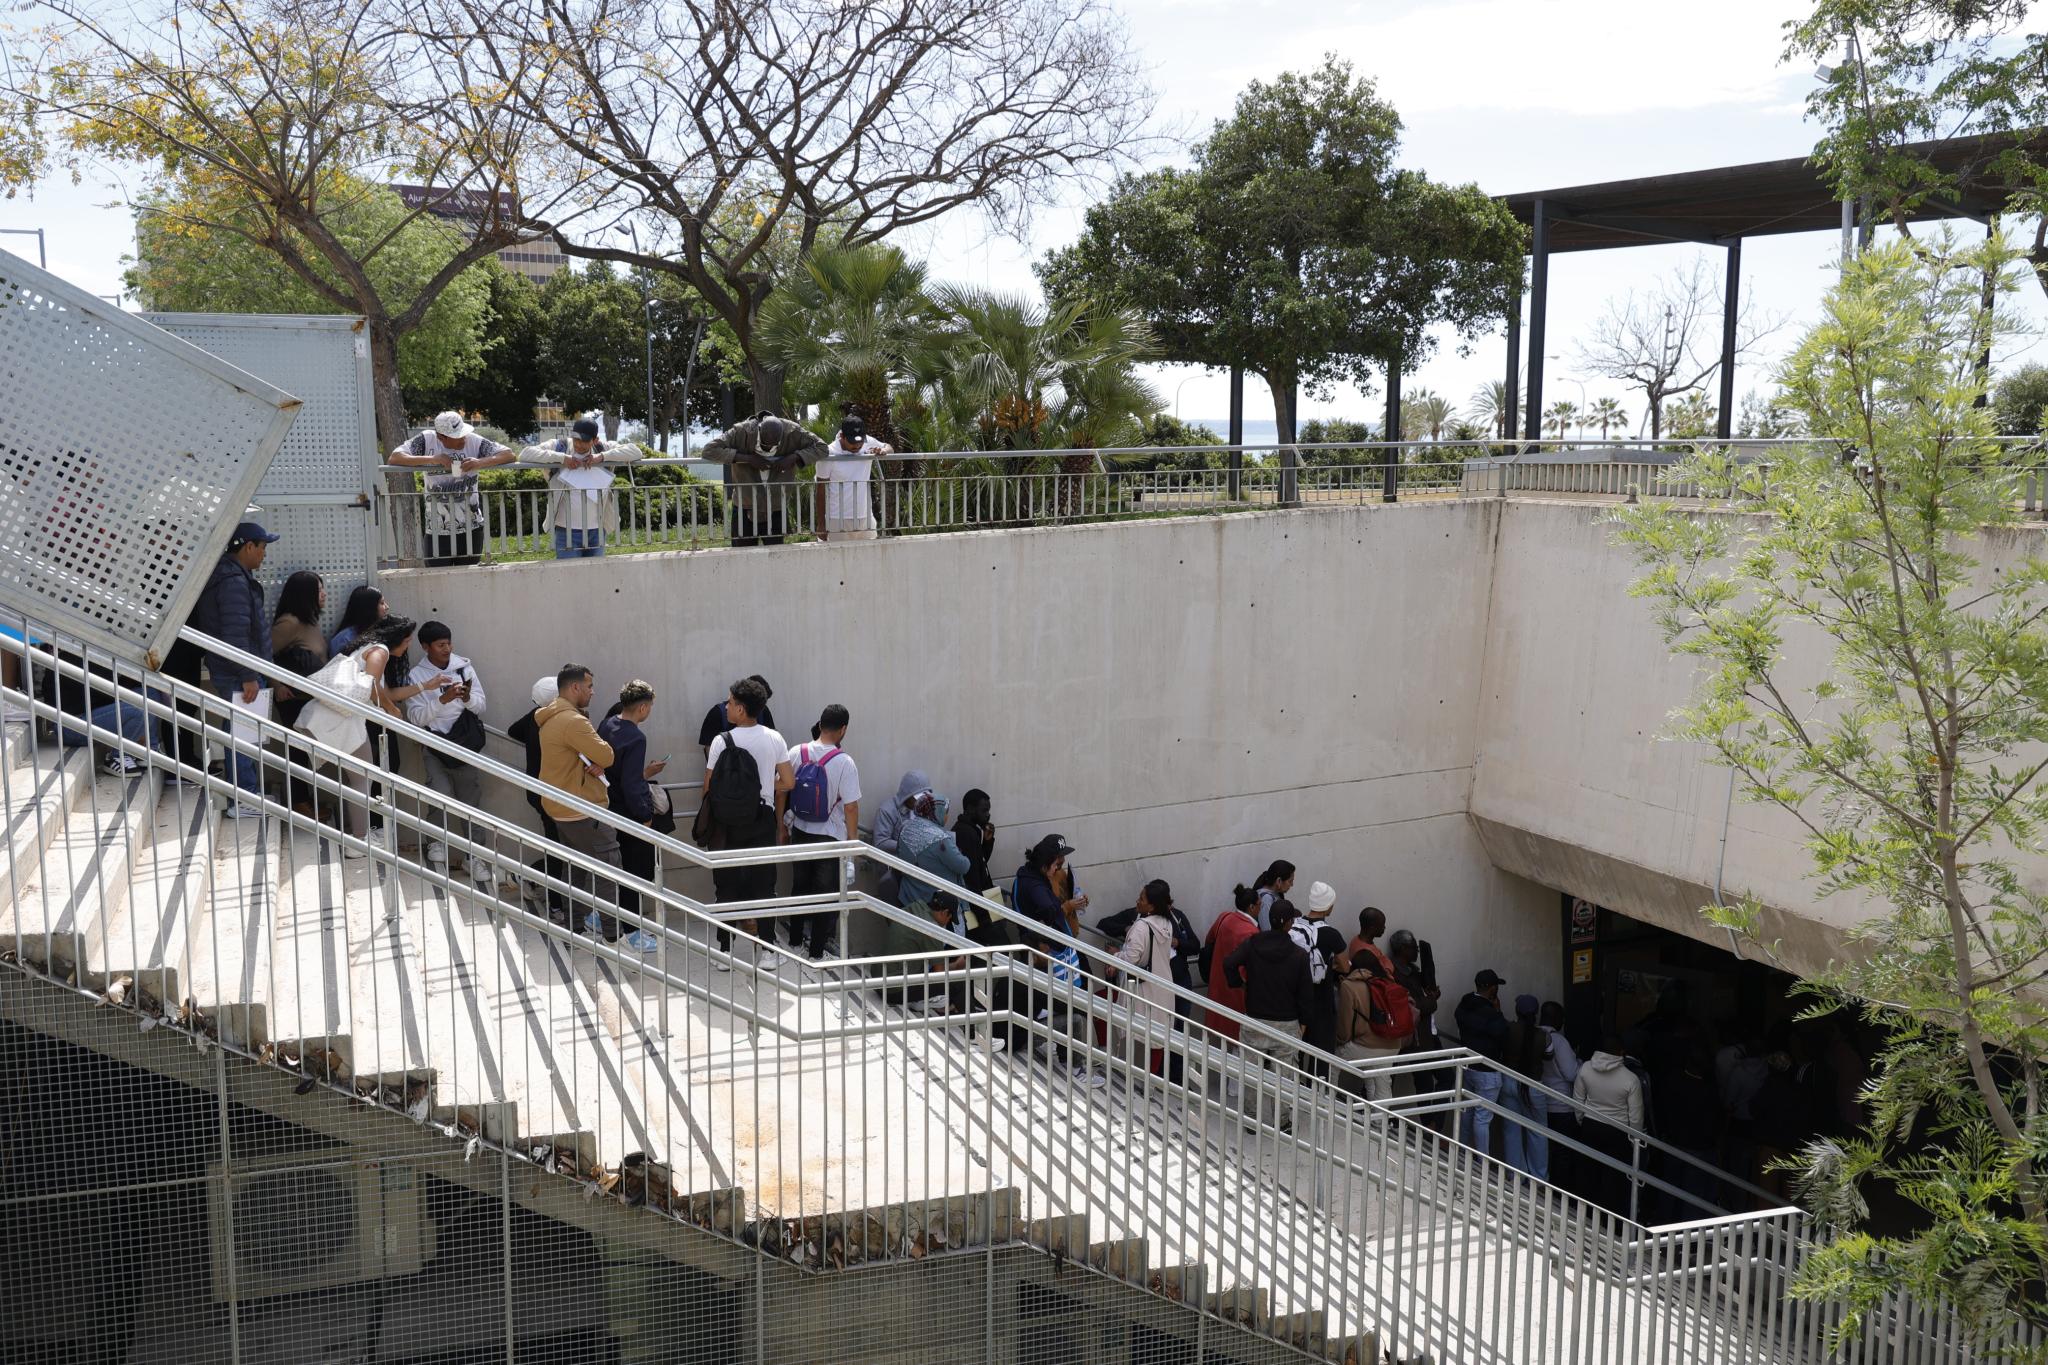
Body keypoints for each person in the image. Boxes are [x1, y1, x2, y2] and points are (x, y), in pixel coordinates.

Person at [297, 617, 417, 851]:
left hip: (333, 719)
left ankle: (359, 837)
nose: (408, 646)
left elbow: (373, 687)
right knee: (362, 779)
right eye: (408, 640)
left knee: (360, 778)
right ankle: (359, 840)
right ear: (397, 638)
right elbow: (370, 686)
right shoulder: (380, 650)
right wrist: (391, 710)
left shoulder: (365, 647)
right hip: (341, 722)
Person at [702, 675, 794, 969]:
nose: (726, 707)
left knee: (725, 885)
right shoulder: (774, 738)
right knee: (764, 884)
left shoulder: (721, 740)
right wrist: (764, 785)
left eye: (730, 702)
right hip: (762, 818)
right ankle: (767, 952)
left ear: (741, 709)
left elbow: (708, 787)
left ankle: (725, 952)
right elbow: (788, 782)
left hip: (726, 822)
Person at [187, 520, 278, 817]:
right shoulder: (233, 582)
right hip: (239, 672)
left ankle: (246, 792)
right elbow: (235, 633)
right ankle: (244, 797)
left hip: (239, 670)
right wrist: (248, 674)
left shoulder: (234, 576)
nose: (264, 554)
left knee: (242, 731)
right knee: (243, 733)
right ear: (248, 546)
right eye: (262, 547)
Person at [534, 664, 628, 944]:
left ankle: (574, 930)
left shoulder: (550, 718)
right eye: (589, 686)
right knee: (609, 865)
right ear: (575, 687)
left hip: (560, 806)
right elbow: (607, 755)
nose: (592, 691)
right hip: (583, 808)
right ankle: (613, 936)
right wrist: (599, 757)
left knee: (574, 868)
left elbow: (583, 754)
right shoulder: (573, 722)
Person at [401, 621, 494, 889]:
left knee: (470, 802)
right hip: (435, 744)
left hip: (464, 745)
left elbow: (481, 705)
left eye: (448, 643)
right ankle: (435, 844)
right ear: (425, 647)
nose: (447, 649)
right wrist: (440, 700)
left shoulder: (463, 667)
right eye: (441, 645)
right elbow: (416, 718)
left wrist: (464, 698)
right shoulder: (417, 675)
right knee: (438, 794)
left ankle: (474, 857)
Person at [1010, 833, 1102, 1089]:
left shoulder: (1030, 877)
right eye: (1057, 865)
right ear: (1046, 862)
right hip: (1049, 958)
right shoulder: (1035, 885)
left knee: (1071, 1006)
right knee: (1073, 1010)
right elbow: (1050, 911)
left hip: (1054, 955)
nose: (1060, 869)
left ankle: (1067, 1056)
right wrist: (1065, 905)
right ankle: (1073, 1065)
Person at [1222, 898, 1313, 1131]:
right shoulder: (1299, 955)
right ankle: (1282, 1122)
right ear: (1290, 923)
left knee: (1251, 1073)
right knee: (1283, 1078)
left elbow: (1229, 963)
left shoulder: (1253, 943)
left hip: (1255, 1019)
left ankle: (1251, 1119)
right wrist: (1304, 1023)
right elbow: (1305, 994)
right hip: (1287, 1022)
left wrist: (1240, 984)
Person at [781, 705, 860, 960]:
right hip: (830, 837)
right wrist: (853, 841)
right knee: (825, 897)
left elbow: (781, 789)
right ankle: (815, 953)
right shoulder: (844, 762)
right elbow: (851, 807)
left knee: (799, 888)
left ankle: (794, 942)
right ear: (843, 729)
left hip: (800, 830)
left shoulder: (797, 752)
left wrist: (781, 826)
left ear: (820, 723)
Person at [387, 411, 516, 565]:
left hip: (471, 528)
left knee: (469, 579)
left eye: (463, 433)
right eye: (457, 436)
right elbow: (394, 458)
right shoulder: (427, 439)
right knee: (437, 582)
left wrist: (479, 463)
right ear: (441, 437)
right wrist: (432, 459)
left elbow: (509, 455)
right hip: (436, 530)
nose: (463, 438)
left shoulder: (474, 441)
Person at [596, 680, 668, 954]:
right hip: (628, 813)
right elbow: (631, 783)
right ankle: (631, 932)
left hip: (607, 806)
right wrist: (645, 815)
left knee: (617, 870)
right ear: (642, 707)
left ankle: (617, 925)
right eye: (649, 706)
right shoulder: (636, 737)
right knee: (636, 873)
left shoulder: (607, 724)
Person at [520, 414, 646, 559]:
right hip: (565, 530)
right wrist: (561, 458)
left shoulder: (602, 447)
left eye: (584, 441)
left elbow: (636, 452)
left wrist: (602, 457)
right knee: (569, 575)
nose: (578, 444)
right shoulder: (560, 446)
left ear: (595, 440)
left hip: (597, 530)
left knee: (595, 576)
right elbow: (525, 454)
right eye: (576, 439)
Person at [700, 411, 827, 546]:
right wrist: (746, 458)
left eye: (774, 446)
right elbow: (709, 451)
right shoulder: (741, 431)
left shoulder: (792, 431)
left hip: (776, 506)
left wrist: (794, 457)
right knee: (742, 555)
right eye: (765, 445)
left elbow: (822, 448)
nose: (769, 449)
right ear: (759, 429)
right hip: (744, 506)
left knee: (775, 555)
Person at [507, 675, 572, 925]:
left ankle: (531, 876)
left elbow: (513, 730)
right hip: (552, 793)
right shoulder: (555, 722)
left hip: (537, 791)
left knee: (561, 847)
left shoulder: (535, 717)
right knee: (560, 849)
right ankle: (553, 903)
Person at [1116, 879, 1192, 1085]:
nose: (1137, 901)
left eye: (1141, 898)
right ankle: (1148, 1082)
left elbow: (1131, 958)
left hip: (1140, 988)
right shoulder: (1167, 924)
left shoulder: (1141, 926)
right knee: (1157, 1036)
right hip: (1163, 987)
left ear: (1151, 905)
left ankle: (1132, 1082)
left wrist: (1115, 956)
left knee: (1135, 1033)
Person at [1334, 908, 1406, 1102]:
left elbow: (1344, 1026)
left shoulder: (1350, 986)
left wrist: (1342, 1040)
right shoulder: (1385, 981)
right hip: (1392, 1043)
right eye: (1382, 924)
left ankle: (1327, 1099)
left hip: (1367, 1043)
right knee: (1381, 1083)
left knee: (1333, 1061)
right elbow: (1388, 968)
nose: (1384, 928)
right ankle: (1377, 1124)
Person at [1573, 1034, 1647, 1214]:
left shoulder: (1585, 1068)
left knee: (1588, 1174)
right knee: (1612, 1180)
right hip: (1618, 1132)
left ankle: (1586, 1216)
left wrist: (1582, 1121)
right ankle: (1608, 1221)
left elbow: (1577, 1100)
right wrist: (1634, 1139)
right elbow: (1636, 1116)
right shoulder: (1631, 1079)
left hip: (1590, 1126)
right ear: (1621, 1052)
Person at [1454, 969, 1512, 1156]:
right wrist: (1498, 1011)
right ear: (1492, 988)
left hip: (1468, 1066)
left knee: (1466, 1113)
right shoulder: (1490, 1013)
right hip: (1487, 1071)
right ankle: (1482, 1162)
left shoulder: (1465, 1003)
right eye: (1496, 986)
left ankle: (1460, 1153)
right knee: (1482, 1118)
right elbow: (1504, 1035)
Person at [1291, 881, 1347, 1067]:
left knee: (1296, 1049)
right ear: (1328, 906)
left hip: (1296, 998)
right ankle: (1317, 1093)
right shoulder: (1331, 934)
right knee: (1321, 1054)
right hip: (1321, 1000)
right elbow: (1344, 965)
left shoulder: (1294, 926)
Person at [1499, 994, 1552, 1181]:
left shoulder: (1508, 1028)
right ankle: (1538, 1178)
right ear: (1536, 1014)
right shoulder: (1544, 1036)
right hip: (1533, 1086)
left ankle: (1515, 1176)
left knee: (1511, 1129)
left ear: (1517, 1012)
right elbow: (1548, 1056)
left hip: (1508, 1081)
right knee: (1537, 1132)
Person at [813, 414, 888, 542]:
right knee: (837, 560)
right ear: (842, 436)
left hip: (866, 517)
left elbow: (888, 446)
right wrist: (821, 524)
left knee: (870, 558)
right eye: (852, 442)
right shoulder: (829, 453)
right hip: (838, 519)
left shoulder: (868, 442)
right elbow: (820, 489)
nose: (857, 446)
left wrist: (883, 451)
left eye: (860, 442)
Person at [1202, 885, 1262, 1040]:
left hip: (1217, 983)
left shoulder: (1224, 917)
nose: (1261, 909)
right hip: (1238, 992)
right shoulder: (1251, 933)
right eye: (1259, 905)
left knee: (1218, 1035)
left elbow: (1209, 939)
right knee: (1237, 1039)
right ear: (1251, 907)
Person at [1538, 1000, 1583, 1187]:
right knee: (1562, 1154)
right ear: (1556, 1019)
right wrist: (1580, 1062)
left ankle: (1547, 1186)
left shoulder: (1534, 1034)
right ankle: (1560, 1192)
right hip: (1561, 1106)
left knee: (1544, 1150)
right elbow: (1572, 1074)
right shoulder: (1559, 1040)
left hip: (1539, 1102)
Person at [698, 675, 776, 763]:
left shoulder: (765, 716)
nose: (761, 705)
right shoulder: (717, 714)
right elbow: (709, 748)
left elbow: (773, 748)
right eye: (759, 700)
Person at [329, 586, 389, 656]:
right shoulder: (344, 639)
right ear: (369, 608)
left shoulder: (381, 630)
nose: (387, 607)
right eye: (382, 603)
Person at [1250, 859, 1295, 931]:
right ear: (1279, 881)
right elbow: (1267, 930)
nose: (1292, 885)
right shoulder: (1266, 899)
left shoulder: (1275, 893)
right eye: (1290, 881)